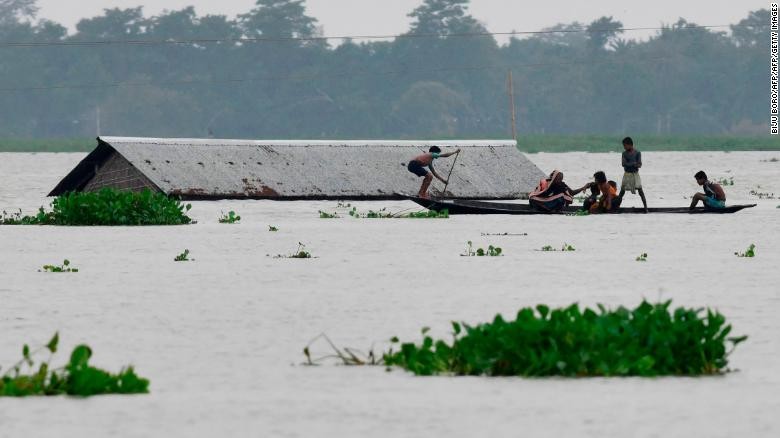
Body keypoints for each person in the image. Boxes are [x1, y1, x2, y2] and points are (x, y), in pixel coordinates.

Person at [618, 137, 648, 213]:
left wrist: (631, 164)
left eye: (625, 145)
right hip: (627, 174)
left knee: (640, 191)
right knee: (622, 192)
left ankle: (646, 208)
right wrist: (633, 164)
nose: (624, 147)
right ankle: (616, 207)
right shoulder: (624, 153)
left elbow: (639, 165)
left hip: (635, 174)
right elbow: (623, 164)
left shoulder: (637, 153)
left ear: (630, 145)